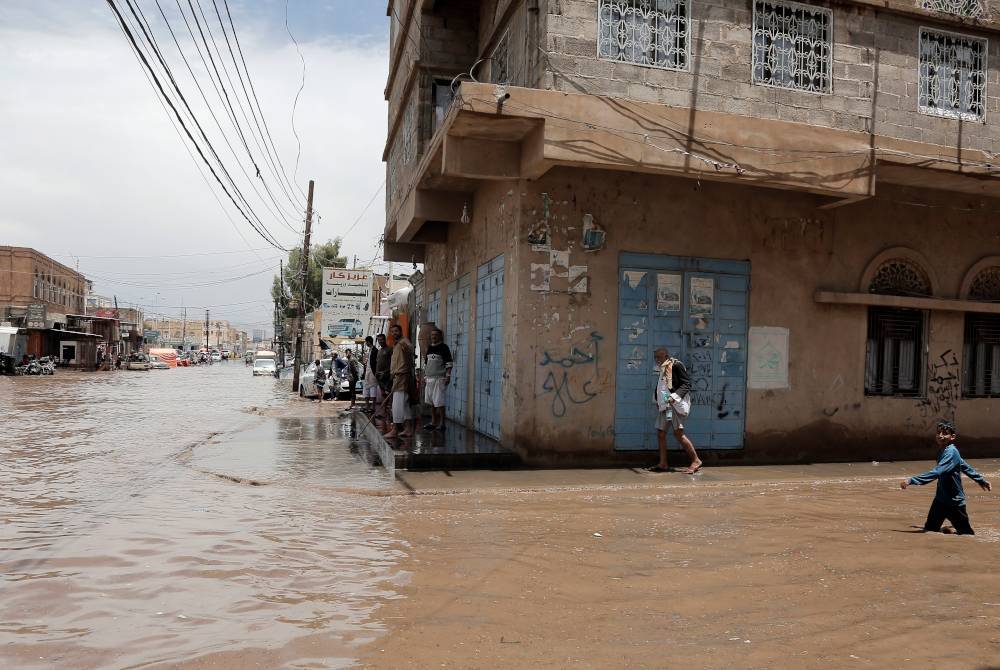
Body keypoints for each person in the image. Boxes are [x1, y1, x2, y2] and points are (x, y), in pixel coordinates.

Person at [901, 420, 991, 535]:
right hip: (940, 500)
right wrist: (981, 480)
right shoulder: (943, 451)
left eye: (944, 433)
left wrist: (911, 480)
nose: (940, 436)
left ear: (952, 436)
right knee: (929, 530)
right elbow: (964, 466)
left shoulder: (951, 452)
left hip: (954, 503)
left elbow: (937, 472)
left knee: (967, 536)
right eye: (938, 433)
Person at [647, 347, 702, 474]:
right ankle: (663, 463)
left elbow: (686, 384)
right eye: (655, 357)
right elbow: (661, 387)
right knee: (661, 433)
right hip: (666, 407)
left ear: (666, 356)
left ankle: (696, 460)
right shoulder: (663, 368)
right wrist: (658, 401)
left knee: (678, 433)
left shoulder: (676, 365)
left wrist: (674, 397)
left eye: (659, 357)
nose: (657, 360)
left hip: (674, 405)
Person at [384, 324, 416, 439]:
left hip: (402, 376)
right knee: (405, 404)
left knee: (397, 404)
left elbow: (410, 348)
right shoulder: (396, 344)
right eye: (392, 331)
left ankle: (395, 429)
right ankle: (408, 429)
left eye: (396, 331)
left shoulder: (403, 342)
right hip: (398, 376)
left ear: (400, 331)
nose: (394, 333)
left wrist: (407, 348)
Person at [422, 328, 453, 431]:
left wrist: (448, 376)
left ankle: (442, 423)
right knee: (432, 402)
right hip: (429, 378)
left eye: (435, 335)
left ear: (440, 336)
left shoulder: (444, 347)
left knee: (439, 402)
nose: (433, 337)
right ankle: (433, 422)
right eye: (432, 335)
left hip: (439, 378)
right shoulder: (430, 347)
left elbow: (449, 363)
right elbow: (426, 363)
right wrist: (424, 376)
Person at [375, 333, 393, 428]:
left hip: (387, 377)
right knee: (383, 395)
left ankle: (391, 415)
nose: (380, 341)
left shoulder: (390, 349)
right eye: (379, 340)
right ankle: (384, 413)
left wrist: (386, 372)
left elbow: (392, 364)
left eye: (382, 339)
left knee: (389, 396)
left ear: (385, 339)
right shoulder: (379, 351)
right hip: (379, 377)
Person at [363, 336, 378, 414]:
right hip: (367, 372)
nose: (366, 343)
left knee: (373, 389)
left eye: (366, 342)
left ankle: (373, 408)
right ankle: (367, 407)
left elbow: (376, 363)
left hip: (372, 372)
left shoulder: (375, 350)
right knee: (366, 389)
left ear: (369, 342)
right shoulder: (368, 351)